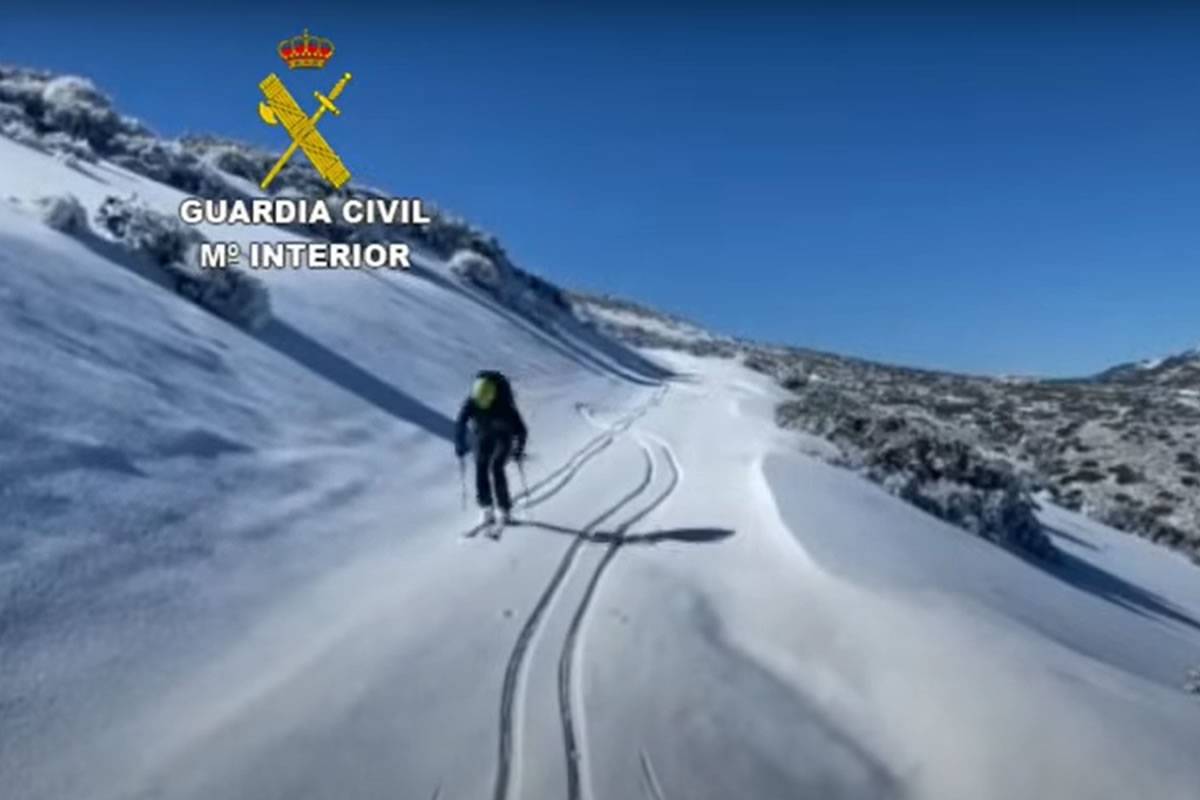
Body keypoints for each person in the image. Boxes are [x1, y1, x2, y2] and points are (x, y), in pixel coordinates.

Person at [454, 370, 528, 525]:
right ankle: (486, 507)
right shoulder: (472, 402)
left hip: (503, 437)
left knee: (496, 467)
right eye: (479, 402)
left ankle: (504, 509)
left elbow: (521, 430)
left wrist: (518, 450)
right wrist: (459, 443)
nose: (482, 405)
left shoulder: (505, 406)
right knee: (481, 467)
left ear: (492, 396)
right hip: (483, 435)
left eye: (485, 401)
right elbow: (460, 423)